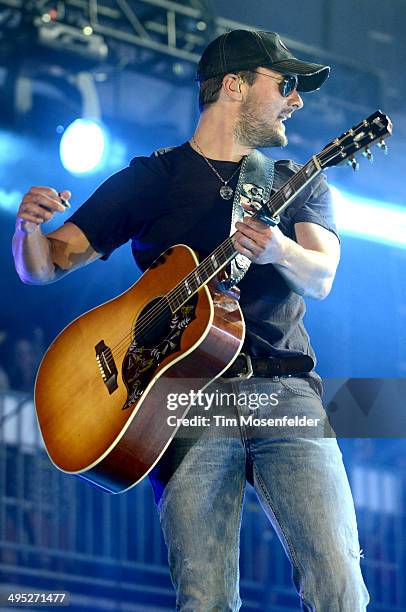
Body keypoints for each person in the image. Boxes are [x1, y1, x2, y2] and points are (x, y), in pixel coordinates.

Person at [13, 29, 369, 611]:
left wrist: (278, 250)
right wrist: (27, 230)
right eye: (285, 84)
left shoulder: (294, 181)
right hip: (183, 400)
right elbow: (47, 264)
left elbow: (323, 275)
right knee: (204, 599)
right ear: (234, 85)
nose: (297, 99)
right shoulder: (153, 177)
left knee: (339, 588)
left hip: (283, 392)